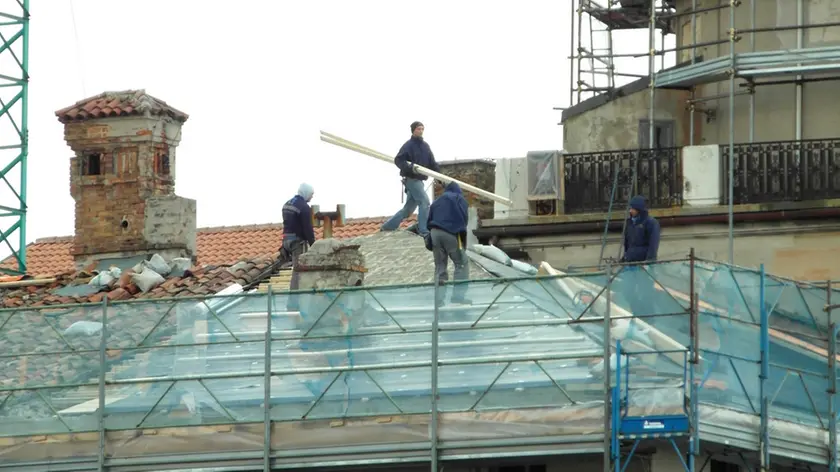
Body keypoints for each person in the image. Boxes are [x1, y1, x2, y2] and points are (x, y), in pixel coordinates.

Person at [380, 121, 441, 237]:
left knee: (408, 210)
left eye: (422, 129)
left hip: (420, 181)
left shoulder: (425, 147)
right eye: (418, 129)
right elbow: (398, 160)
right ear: (413, 130)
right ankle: (423, 230)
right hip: (411, 179)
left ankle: (387, 226)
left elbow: (432, 163)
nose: (421, 131)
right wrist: (409, 168)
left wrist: (440, 177)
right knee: (424, 202)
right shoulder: (408, 145)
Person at [428, 181, 471, 305]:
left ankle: (439, 300)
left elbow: (428, 220)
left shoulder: (437, 201)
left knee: (440, 266)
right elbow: (463, 222)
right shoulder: (459, 199)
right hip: (450, 233)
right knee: (461, 263)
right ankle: (458, 297)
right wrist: (463, 243)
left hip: (435, 233)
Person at [620, 195, 661, 317]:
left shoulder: (651, 223)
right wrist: (625, 257)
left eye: (632, 208)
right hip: (630, 264)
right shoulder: (629, 223)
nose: (630, 211)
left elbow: (653, 244)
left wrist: (648, 262)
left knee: (646, 292)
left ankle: (648, 317)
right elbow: (627, 243)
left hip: (643, 266)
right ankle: (637, 313)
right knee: (627, 291)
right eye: (630, 208)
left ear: (639, 209)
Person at [282, 183, 316, 311]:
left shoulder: (287, 204)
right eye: (311, 194)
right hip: (297, 242)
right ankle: (294, 303)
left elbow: (286, 225)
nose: (312, 197)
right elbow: (307, 229)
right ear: (306, 193)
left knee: (295, 270)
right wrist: (314, 245)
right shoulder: (304, 207)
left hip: (286, 241)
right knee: (299, 272)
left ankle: (294, 301)